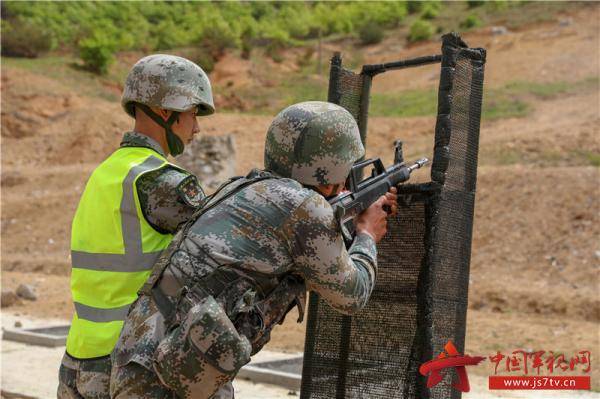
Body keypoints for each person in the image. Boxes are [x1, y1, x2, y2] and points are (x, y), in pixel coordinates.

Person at [109, 101, 398, 399]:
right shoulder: (305, 208)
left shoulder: (244, 187)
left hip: (142, 358)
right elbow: (352, 296)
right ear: (332, 166)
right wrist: (366, 234)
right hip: (171, 375)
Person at [58, 54, 215, 399]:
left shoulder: (105, 173)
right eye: (192, 114)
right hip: (129, 360)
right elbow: (222, 252)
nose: (197, 127)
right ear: (166, 112)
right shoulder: (163, 181)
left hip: (79, 358)